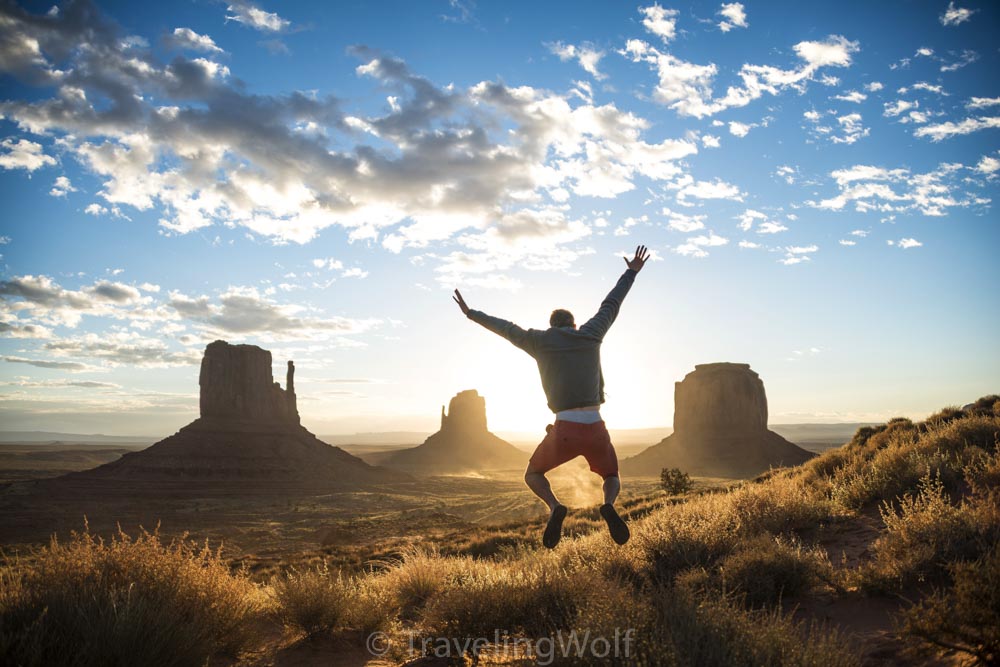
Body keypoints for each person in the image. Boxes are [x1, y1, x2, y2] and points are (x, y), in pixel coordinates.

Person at [452, 245, 650, 548]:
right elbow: (611, 303)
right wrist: (631, 271)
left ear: (551, 325)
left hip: (564, 430)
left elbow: (505, 328)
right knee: (611, 474)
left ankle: (555, 507)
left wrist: (470, 314)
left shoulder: (538, 341)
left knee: (533, 474)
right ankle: (608, 505)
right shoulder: (591, 333)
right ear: (573, 324)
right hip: (596, 426)